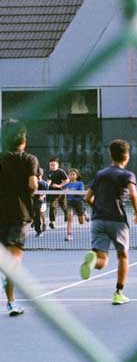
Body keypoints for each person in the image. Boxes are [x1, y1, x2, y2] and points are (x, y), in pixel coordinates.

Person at [80, 139, 137, 306]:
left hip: (98, 220)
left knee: (102, 261)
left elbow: (87, 198)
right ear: (126, 156)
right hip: (118, 221)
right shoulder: (128, 175)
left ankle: (92, 262)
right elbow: (133, 194)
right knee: (122, 256)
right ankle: (119, 293)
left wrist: (97, 207)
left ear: (110, 155)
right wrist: (136, 212)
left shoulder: (100, 174)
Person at [0, 124, 39, 316]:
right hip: (19, 214)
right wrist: (31, 189)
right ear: (23, 141)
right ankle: (11, 303)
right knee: (13, 259)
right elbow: (32, 184)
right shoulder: (30, 159)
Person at [64, 168, 86, 241]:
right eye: (70, 174)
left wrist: (71, 191)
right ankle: (69, 235)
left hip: (79, 203)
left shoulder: (80, 183)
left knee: (81, 222)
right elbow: (65, 195)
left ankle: (84, 212)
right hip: (70, 203)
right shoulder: (67, 185)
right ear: (68, 176)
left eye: (73, 174)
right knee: (69, 216)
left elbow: (81, 194)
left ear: (76, 176)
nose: (72, 176)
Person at [46, 158, 68, 230]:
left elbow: (67, 180)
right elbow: (49, 181)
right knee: (52, 206)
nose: (52, 166)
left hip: (61, 192)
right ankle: (52, 222)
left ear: (57, 165)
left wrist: (59, 186)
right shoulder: (49, 172)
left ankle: (67, 215)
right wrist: (46, 187)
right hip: (53, 193)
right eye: (50, 165)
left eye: (53, 165)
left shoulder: (61, 171)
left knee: (64, 206)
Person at [33, 168, 48, 237]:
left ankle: (44, 223)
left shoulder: (44, 183)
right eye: (36, 174)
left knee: (41, 213)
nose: (37, 175)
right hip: (34, 201)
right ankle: (37, 228)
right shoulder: (33, 182)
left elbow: (45, 193)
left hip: (42, 201)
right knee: (36, 214)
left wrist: (41, 197)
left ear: (41, 175)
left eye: (38, 174)